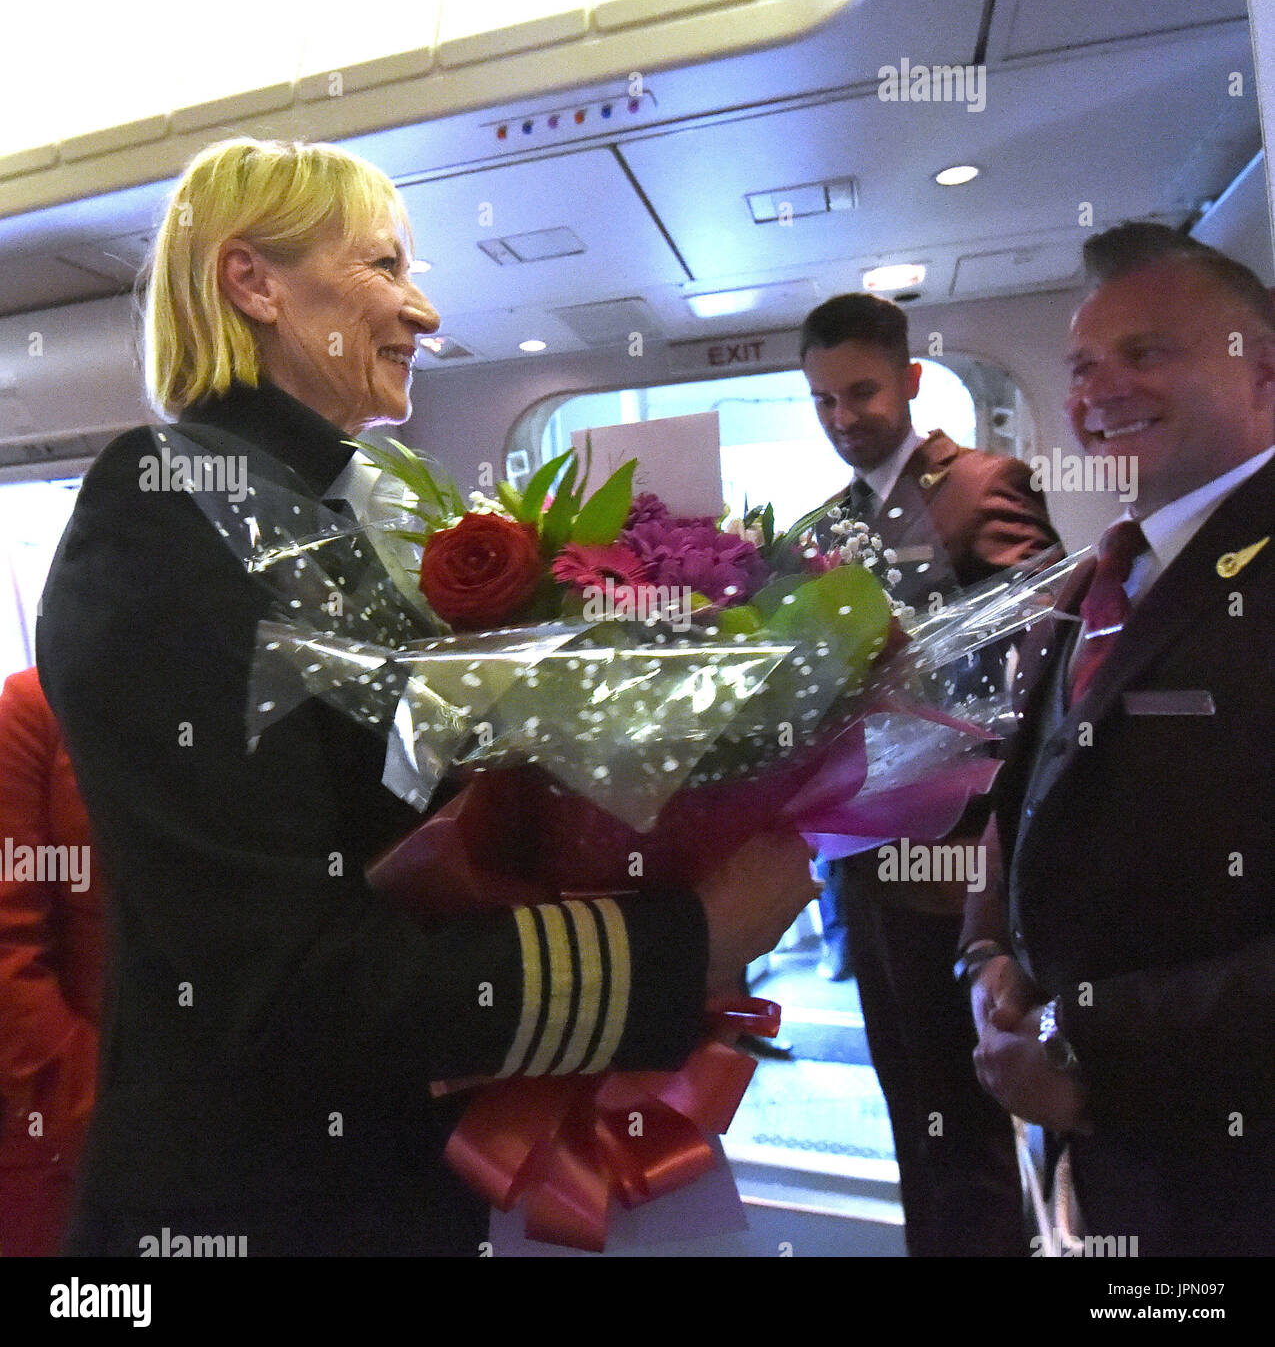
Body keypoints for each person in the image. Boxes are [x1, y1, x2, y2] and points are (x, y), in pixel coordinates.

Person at [35, 138, 817, 1256]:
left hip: (384, 1179)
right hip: (258, 1206)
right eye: (386, 268)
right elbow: (286, 977)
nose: (423, 312)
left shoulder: (333, 514)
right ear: (252, 282)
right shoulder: (164, 514)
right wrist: (681, 942)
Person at [963, 221, 1275, 1256]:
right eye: (1083, 365)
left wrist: (1087, 1042)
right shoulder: (1112, 571)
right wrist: (991, 948)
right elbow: (1039, 794)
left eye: (1146, 354)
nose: (1098, 390)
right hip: (1116, 1156)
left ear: (1263, 369)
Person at [801, 293, 1058, 1255]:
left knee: (961, 1105)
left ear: (909, 380)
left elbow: (1037, 667)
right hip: (857, 853)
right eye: (821, 400)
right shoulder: (828, 523)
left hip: (953, 855)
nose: (841, 418)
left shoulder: (983, 483)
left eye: (860, 392)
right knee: (907, 1097)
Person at [0, 666, 105, 1256]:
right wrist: (101, 1106)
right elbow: (7, 954)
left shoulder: (253, 690)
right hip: (73, 1138)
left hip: (255, 1120)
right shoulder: (36, 707)